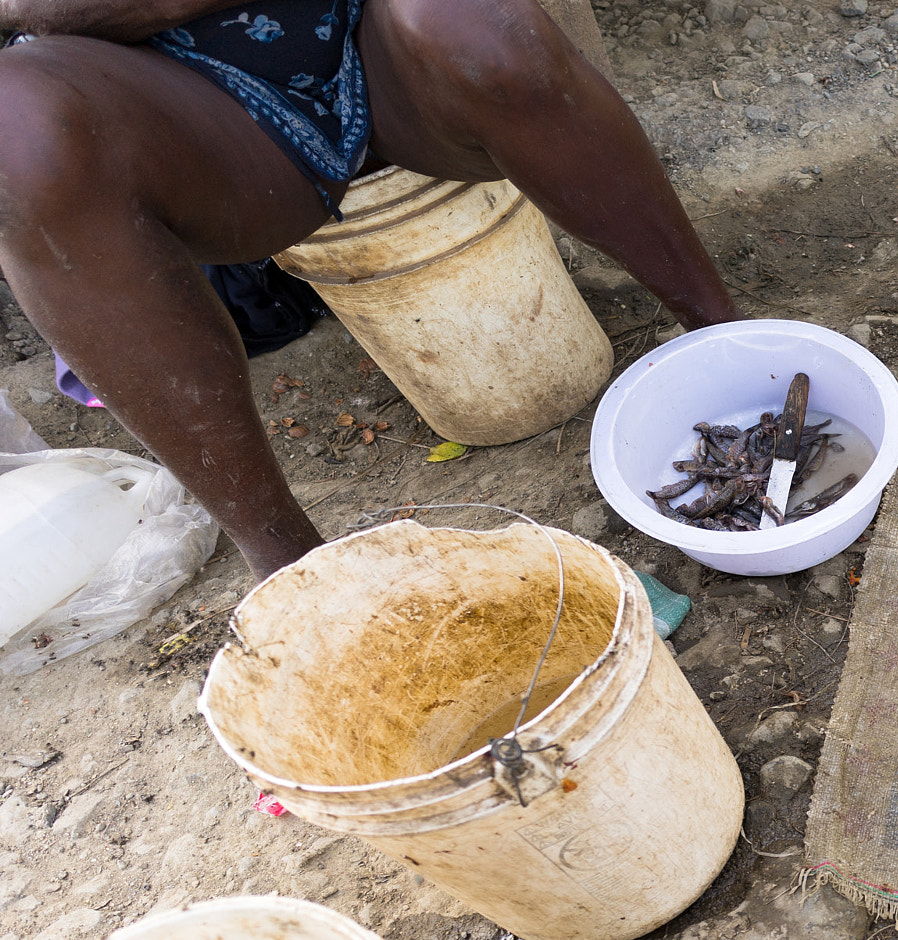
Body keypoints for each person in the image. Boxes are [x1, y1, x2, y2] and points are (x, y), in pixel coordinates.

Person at [0, 0, 741, 579]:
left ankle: (732, 347)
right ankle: (294, 565)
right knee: (14, 132)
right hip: (181, 108)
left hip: (378, 40)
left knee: (483, 27)